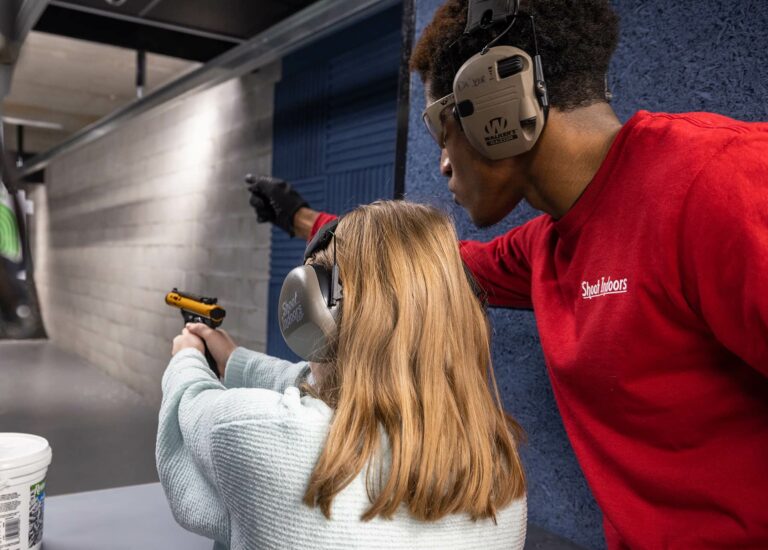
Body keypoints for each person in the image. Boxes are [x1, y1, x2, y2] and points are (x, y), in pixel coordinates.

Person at [246, 0, 768, 547]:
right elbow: (424, 264)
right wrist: (302, 219)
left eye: (441, 129)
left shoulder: (719, 182)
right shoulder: (548, 245)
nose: (443, 162)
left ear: (493, 102)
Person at [157, 201, 528, 550]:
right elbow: (323, 388)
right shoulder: (500, 466)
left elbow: (189, 405)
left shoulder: (255, 431)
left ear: (318, 320)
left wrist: (187, 357)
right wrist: (234, 360)